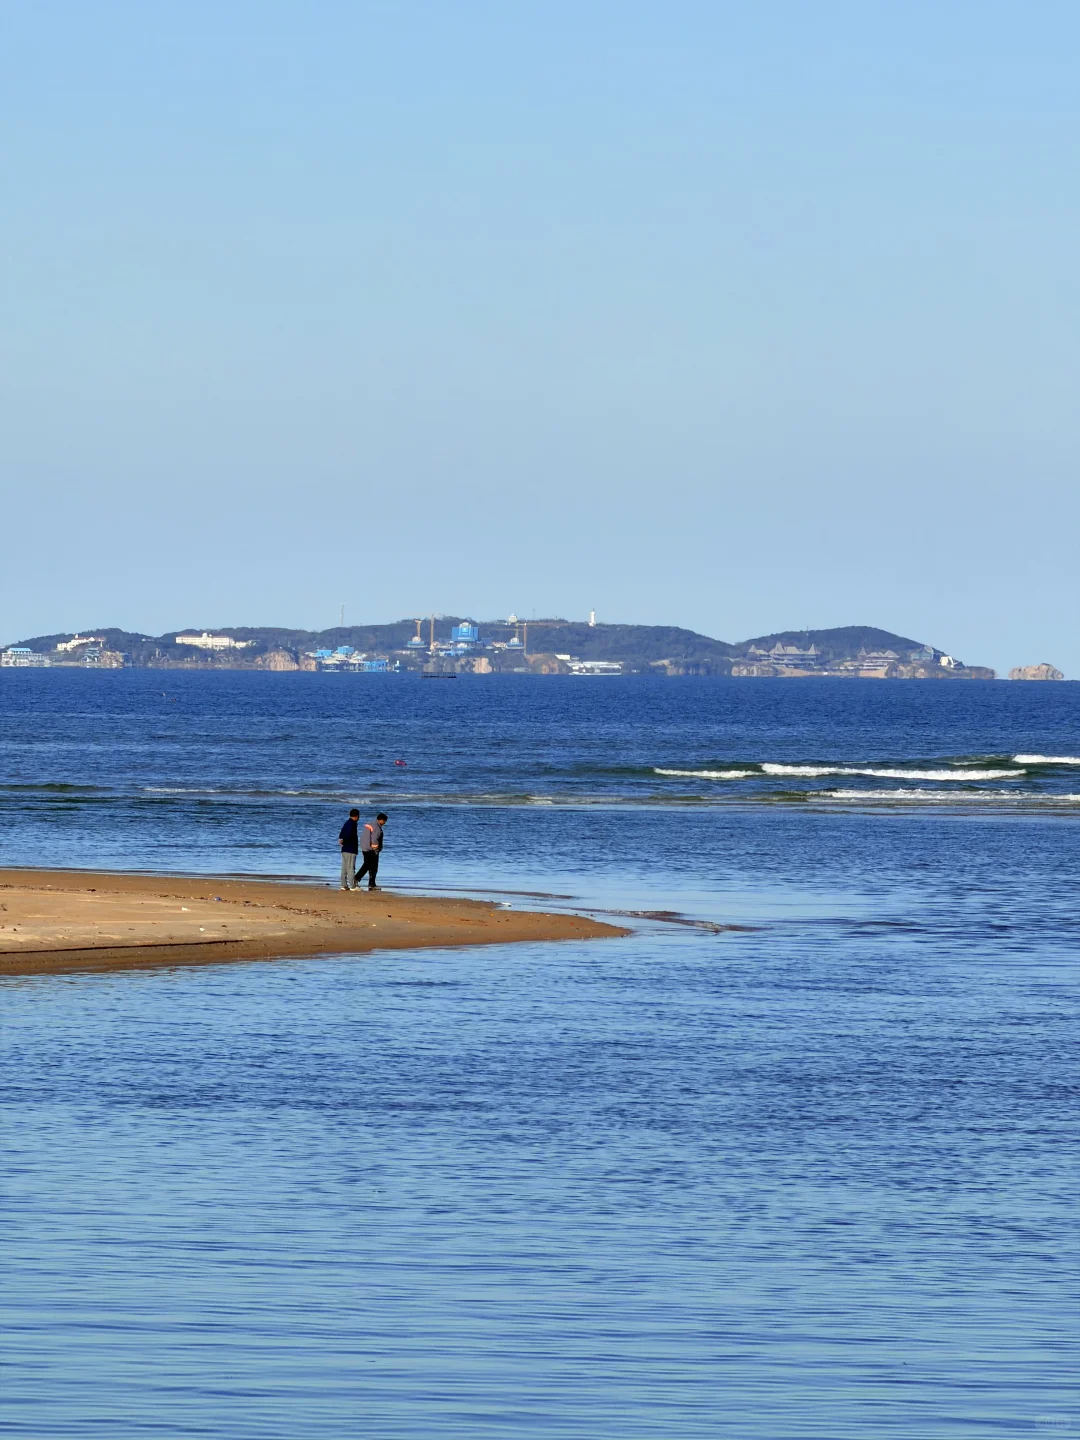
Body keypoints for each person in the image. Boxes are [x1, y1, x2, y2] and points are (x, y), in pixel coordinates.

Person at [356, 812, 387, 890]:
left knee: (367, 865)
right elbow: (374, 840)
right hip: (371, 849)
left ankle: (369, 882)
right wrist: (376, 850)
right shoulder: (377, 827)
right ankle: (360, 879)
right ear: (381, 820)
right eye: (384, 821)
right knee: (372, 866)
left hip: (364, 847)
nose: (385, 823)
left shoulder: (371, 824)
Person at [338, 808, 360, 890]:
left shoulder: (347, 823)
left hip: (345, 849)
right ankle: (353, 886)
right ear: (357, 816)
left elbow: (341, 834)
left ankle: (344, 885)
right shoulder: (353, 824)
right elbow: (349, 835)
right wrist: (345, 841)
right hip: (350, 849)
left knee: (344, 868)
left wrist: (342, 840)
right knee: (350, 868)